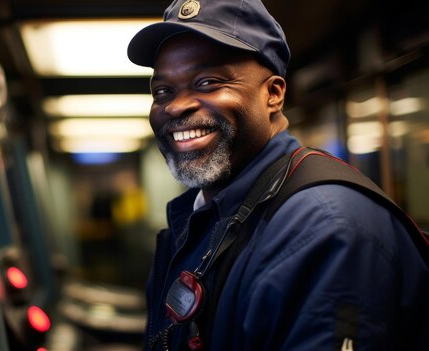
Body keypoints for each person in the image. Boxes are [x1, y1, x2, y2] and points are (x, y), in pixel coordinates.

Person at [127, 0, 429, 349]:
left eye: (208, 82)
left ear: (273, 94)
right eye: (162, 91)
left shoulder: (325, 227)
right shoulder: (210, 212)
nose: (177, 106)